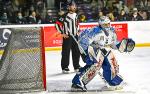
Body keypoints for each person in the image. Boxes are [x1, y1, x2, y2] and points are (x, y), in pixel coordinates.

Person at [71, 16, 135, 91]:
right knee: (94, 66)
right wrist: (86, 55)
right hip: (94, 50)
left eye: (108, 24)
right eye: (105, 24)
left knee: (112, 63)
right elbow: (83, 43)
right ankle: (77, 83)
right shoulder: (95, 31)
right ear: (100, 24)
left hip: (105, 50)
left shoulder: (112, 32)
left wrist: (120, 45)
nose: (107, 26)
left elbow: (112, 44)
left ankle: (112, 80)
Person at [55, 1, 81, 74]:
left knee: (76, 52)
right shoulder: (64, 15)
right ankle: (65, 67)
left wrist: (78, 30)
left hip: (75, 36)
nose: (74, 7)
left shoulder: (76, 15)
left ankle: (76, 66)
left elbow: (77, 24)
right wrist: (62, 33)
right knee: (66, 52)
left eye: (74, 6)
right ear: (69, 7)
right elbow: (57, 24)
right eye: (73, 6)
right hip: (67, 37)